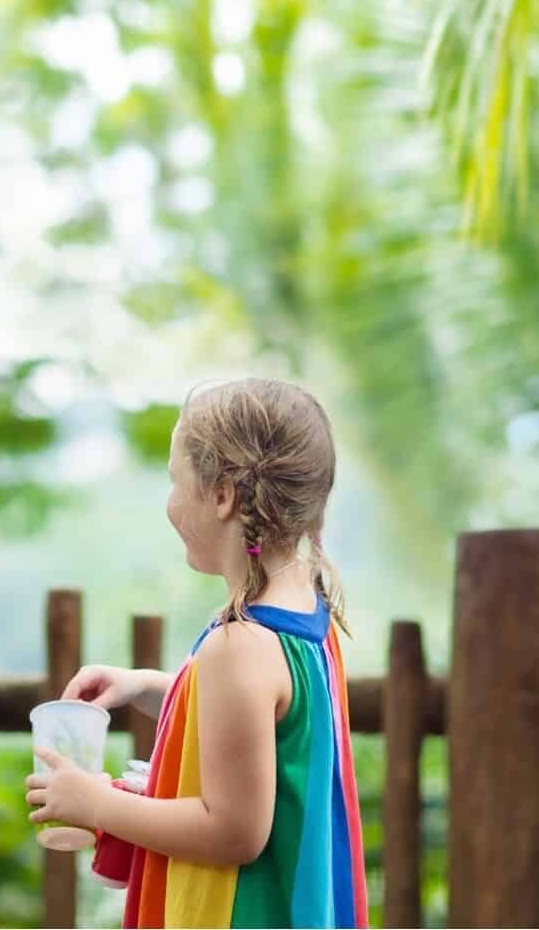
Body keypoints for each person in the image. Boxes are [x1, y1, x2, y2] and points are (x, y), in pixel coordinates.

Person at [25, 378, 368, 928]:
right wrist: (150, 687)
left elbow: (232, 832)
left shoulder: (240, 646)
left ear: (222, 495)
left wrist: (95, 803)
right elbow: (267, 734)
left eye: (174, 480)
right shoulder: (303, 606)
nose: (169, 502)